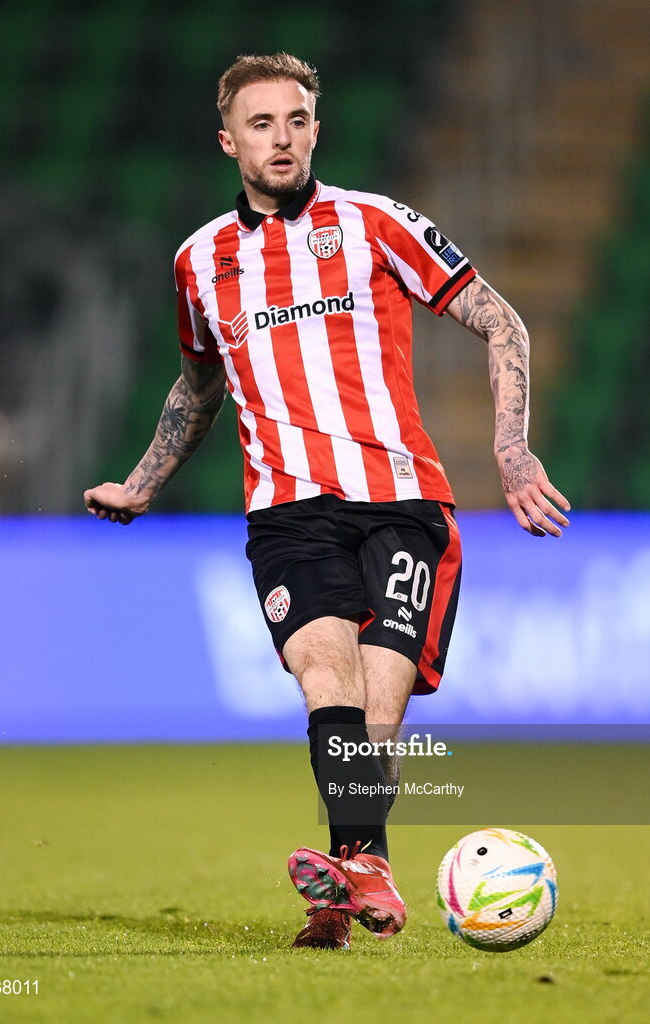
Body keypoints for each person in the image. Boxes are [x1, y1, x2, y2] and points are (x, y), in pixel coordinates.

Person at [84, 52, 570, 951]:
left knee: (376, 701)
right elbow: (199, 387)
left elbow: (501, 318)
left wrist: (510, 449)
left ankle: (350, 877)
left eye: (297, 120)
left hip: (401, 502)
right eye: (261, 123)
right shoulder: (199, 260)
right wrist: (142, 485)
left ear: (317, 128)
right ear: (226, 139)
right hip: (286, 512)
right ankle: (365, 871)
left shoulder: (375, 222)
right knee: (324, 677)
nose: (281, 138)